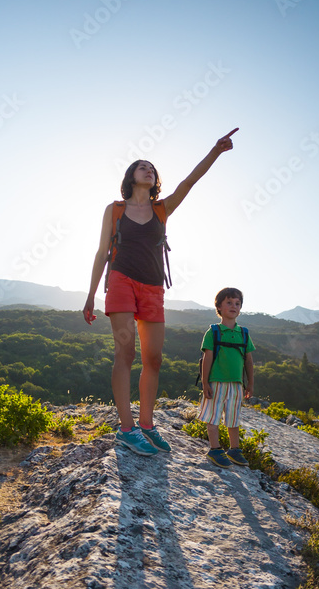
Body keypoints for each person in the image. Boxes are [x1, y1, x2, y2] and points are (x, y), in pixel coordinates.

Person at [83, 129, 239, 456]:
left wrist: (215, 150)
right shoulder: (114, 209)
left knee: (154, 359)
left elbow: (189, 182)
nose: (148, 170)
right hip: (121, 282)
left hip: (153, 288)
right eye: (142, 167)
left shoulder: (161, 210)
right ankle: (126, 429)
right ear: (130, 177)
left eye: (152, 168)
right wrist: (90, 295)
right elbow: (101, 253)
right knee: (125, 354)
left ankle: (147, 424)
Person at [198, 287, 255, 468]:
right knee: (213, 417)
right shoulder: (213, 332)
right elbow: (207, 358)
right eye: (229, 302)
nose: (234, 306)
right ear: (219, 307)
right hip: (216, 382)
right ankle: (215, 449)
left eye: (237, 303)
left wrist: (250, 384)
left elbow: (248, 361)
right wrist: (205, 383)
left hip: (237, 384)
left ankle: (234, 449)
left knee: (233, 417)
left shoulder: (244, 334)